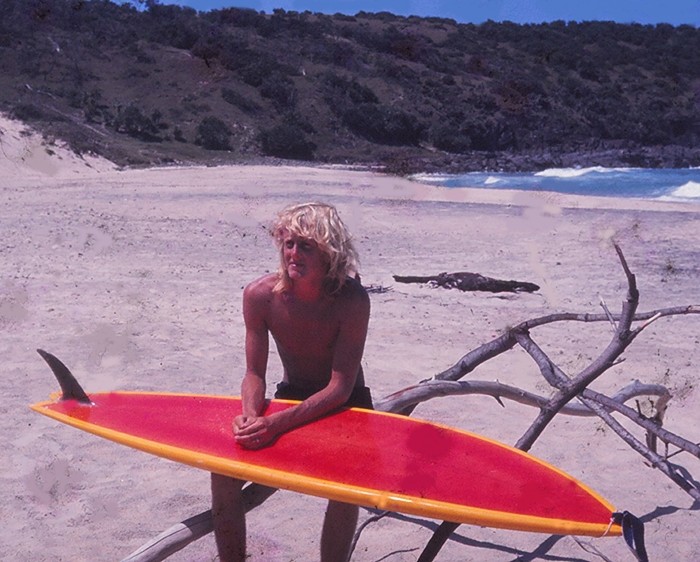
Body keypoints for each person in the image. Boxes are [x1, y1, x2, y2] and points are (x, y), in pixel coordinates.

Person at [211, 202, 372, 562]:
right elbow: (254, 374)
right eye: (289, 244)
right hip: (291, 396)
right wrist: (251, 416)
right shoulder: (260, 296)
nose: (293, 254)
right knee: (222, 471)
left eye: (306, 246)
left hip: (346, 404)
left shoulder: (351, 301)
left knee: (346, 487)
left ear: (329, 253)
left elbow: (340, 386)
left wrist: (276, 424)